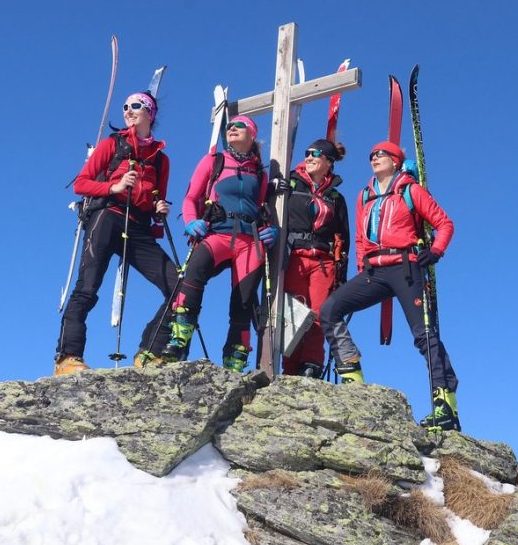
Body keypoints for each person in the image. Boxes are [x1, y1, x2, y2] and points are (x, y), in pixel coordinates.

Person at [319, 141, 461, 431]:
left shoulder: (410, 190)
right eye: (371, 155)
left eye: (381, 154)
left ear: (396, 161)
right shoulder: (364, 196)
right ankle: (351, 377)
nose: (374, 158)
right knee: (330, 309)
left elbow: (444, 223)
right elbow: (360, 238)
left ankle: (445, 405)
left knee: (424, 335)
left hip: (406, 267)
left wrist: (435, 251)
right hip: (374, 271)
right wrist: (362, 269)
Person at [54, 91, 179, 375]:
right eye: (125, 107)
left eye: (135, 106)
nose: (128, 110)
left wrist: (160, 209)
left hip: (138, 226)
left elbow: (159, 202)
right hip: (106, 216)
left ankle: (151, 352)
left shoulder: (161, 160)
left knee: (179, 285)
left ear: (150, 112)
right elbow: (81, 183)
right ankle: (67, 357)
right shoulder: (113, 143)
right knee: (87, 287)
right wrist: (114, 187)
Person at [157, 115, 277, 372]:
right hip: (217, 234)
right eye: (230, 126)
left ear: (252, 134)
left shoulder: (259, 172)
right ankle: (179, 339)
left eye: (239, 126)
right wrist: (190, 222)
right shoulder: (214, 161)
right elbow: (191, 197)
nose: (232, 128)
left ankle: (235, 359)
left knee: (244, 302)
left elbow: (262, 207)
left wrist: (270, 230)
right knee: (193, 275)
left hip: (250, 240)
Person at [278, 139, 349, 378]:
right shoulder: (290, 183)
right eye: (307, 153)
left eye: (315, 154)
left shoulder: (336, 197)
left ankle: (312, 364)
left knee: (320, 313)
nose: (308, 157)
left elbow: (343, 236)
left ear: (328, 162)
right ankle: (289, 368)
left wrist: (342, 274)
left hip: (323, 261)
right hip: (293, 256)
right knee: (293, 313)